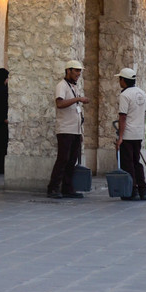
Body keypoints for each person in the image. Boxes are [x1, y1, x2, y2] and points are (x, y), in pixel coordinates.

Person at [47, 60, 89, 199]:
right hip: (65, 129)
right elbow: (60, 103)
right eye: (76, 71)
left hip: (75, 129)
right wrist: (78, 99)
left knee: (72, 160)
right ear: (68, 70)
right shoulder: (62, 86)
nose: (78, 74)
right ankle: (53, 188)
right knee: (63, 159)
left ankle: (67, 187)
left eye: (79, 71)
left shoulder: (74, 87)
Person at [116, 68, 146, 201]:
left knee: (128, 162)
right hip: (139, 133)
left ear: (123, 80)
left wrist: (120, 137)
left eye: (120, 79)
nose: (119, 81)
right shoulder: (142, 93)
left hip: (128, 134)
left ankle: (132, 190)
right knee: (136, 162)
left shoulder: (124, 95)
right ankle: (143, 190)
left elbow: (122, 117)